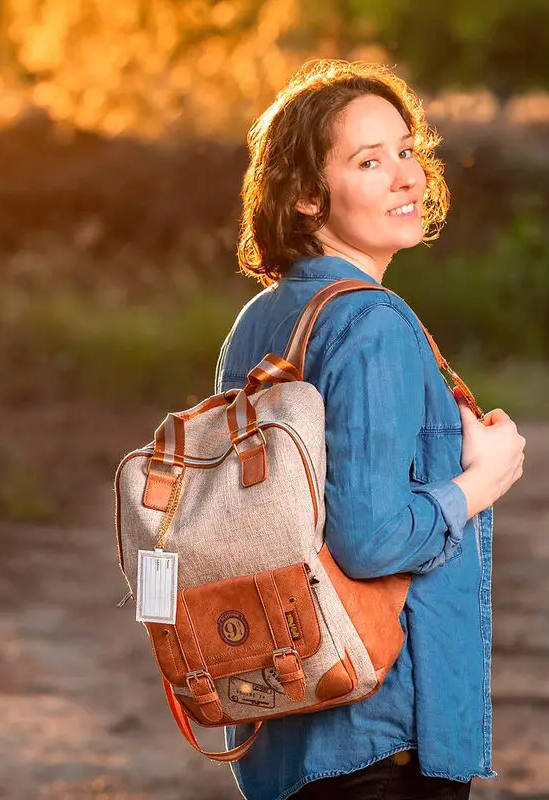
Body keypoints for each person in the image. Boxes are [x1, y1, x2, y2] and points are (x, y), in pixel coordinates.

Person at [214, 59, 525, 800]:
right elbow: (371, 538)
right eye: (369, 160)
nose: (407, 177)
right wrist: (482, 481)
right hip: (378, 739)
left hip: (283, 720)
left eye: (408, 150)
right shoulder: (372, 321)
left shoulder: (260, 321)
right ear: (306, 198)